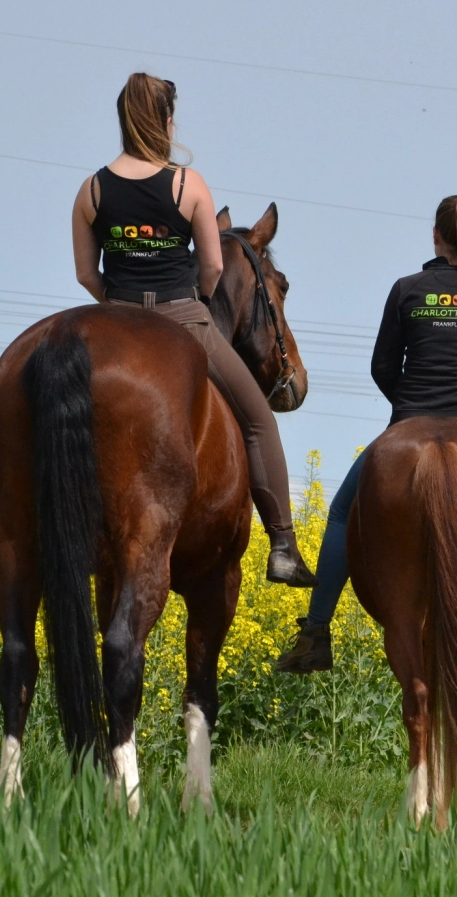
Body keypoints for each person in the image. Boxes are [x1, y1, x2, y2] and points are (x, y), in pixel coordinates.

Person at [275, 194, 457, 672]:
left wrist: (410, 412)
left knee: (343, 510)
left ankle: (316, 631)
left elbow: (382, 367)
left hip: (410, 421)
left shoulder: (407, 289)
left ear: (435, 235)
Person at [72, 73, 314, 586]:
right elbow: (211, 268)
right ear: (165, 120)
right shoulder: (188, 185)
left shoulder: (91, 189)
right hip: (184, 317)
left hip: (116, 317)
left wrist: (116, 303)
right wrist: (194, 303)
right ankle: (284, 546)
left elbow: (86, 274)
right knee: (257, 422)